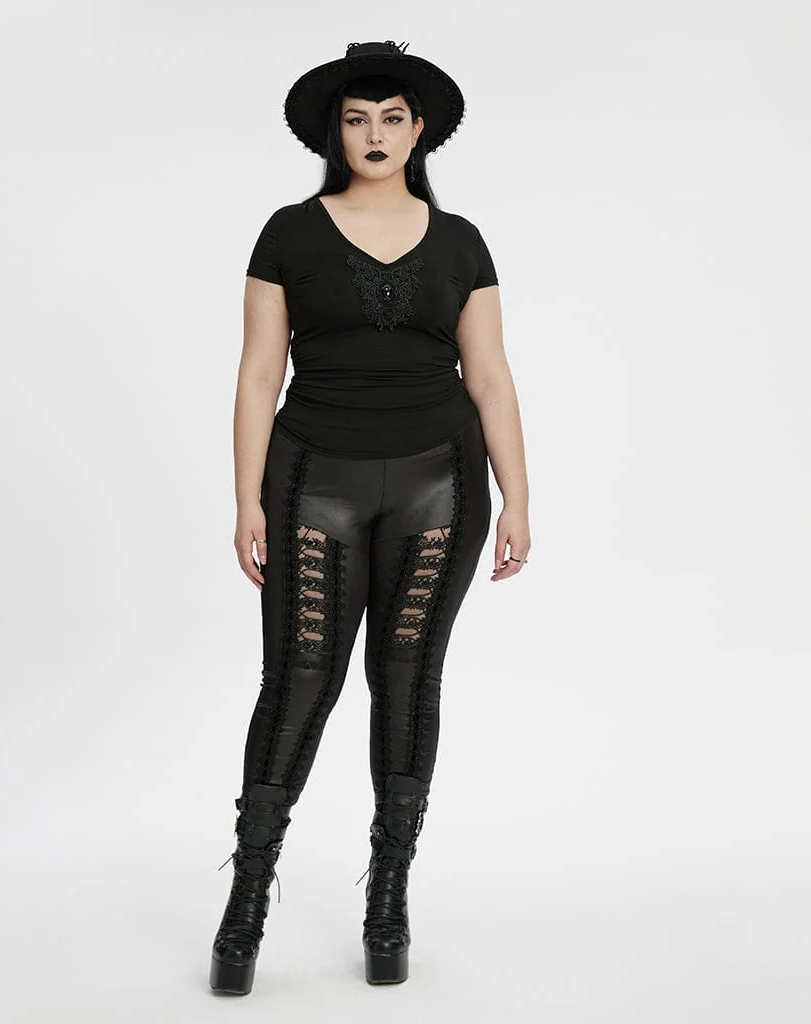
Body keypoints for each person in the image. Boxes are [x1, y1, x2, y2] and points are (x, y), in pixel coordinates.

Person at [210, 39, 530, 996]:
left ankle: (388, 898)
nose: (375, 135)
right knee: (298, 680)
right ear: (335, 133)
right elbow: (259, 373)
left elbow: (490, 375)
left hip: (441, 484)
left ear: (418, 130)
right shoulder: (287, 234)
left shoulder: (462, 241)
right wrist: (244, 497)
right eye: (357, 120)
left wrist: (519, 495)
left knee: (407, 680)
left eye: (392, 119)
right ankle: (247, 900)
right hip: (313, 477)